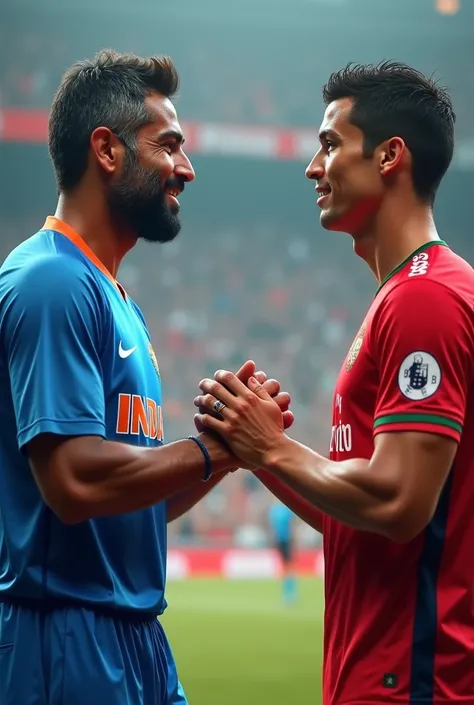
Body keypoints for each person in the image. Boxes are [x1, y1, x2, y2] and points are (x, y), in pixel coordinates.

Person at [0, 50, 293, 705]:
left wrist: (226, 455)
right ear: (106, 150)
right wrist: (206, 451)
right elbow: (74, 482)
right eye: (169, 145)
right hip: (64, 639)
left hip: (134, 638)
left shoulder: (115, 299)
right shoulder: (51, 282)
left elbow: (135, 509)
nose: (186, 168)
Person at [194, 62, 474, 704]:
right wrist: (255, 451)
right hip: (381, 676)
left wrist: (273, 448)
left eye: (329, 144)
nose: (312, 168)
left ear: (389, 157)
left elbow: (399, 504)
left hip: (414, 681)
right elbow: (362, 518)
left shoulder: (425, 299)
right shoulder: (400, 297)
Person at [267, 501, 298, 604]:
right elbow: (274, 527)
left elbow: (291, 526)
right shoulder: (276, 509)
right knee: (286, 567)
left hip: (285, 540)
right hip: (281, 541)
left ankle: (290, 592)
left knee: (288, 567)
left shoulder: (282, 509)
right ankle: (288, 592)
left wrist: (293, 540)